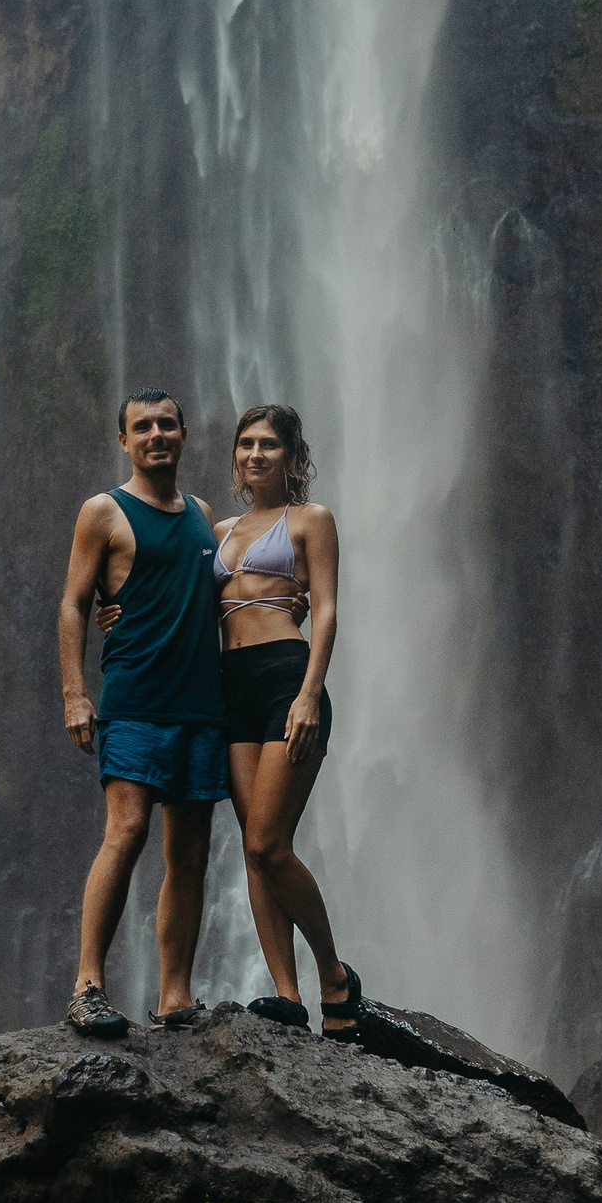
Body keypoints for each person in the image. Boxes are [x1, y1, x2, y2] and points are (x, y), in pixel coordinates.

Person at [57, 390, 226, 1037]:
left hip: (201, 706)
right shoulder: (104, 511)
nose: (156, 434)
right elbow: (74, 603)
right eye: (142, 427)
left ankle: (177, 993)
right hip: (135, 702)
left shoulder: (205, 516)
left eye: (166, 424)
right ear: (123, 441)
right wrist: (76, 693)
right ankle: (88, 984)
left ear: (185, 434)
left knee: (190, 854)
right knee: (125, 831)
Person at [213, 404, 361, 1038]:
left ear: (291, 456)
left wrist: (310, 692)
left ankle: (334, 976)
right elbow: (166, 596)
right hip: (231, 687)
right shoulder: (216, 531)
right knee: (253, 851)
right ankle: (286, 994)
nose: (255, 455)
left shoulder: (311, 520)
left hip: (286, 680)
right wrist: (113, 615)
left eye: (268, 445)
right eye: (246, 444)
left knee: (269, 843)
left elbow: (324, 610)